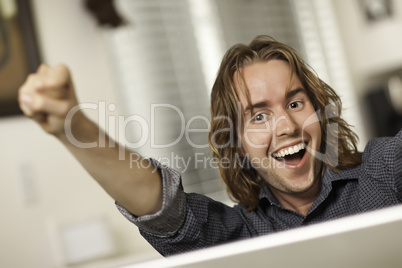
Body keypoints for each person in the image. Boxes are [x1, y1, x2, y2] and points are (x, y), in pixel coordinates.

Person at [18, 35, 402, 256]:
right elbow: (163, 209)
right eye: (258, 115)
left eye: (295, 103)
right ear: (234, 143)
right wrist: (75, 127)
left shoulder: (386, 168)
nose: (286, 125)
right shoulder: (239, 235)